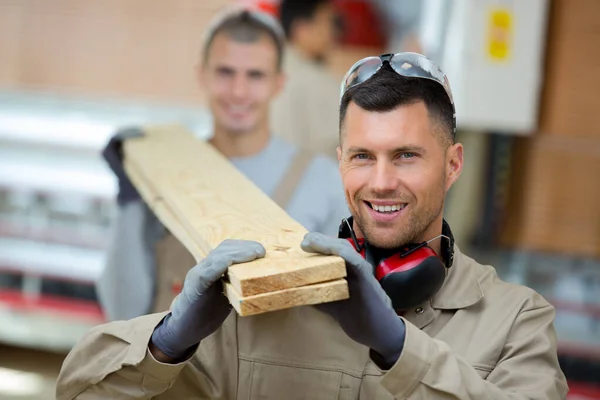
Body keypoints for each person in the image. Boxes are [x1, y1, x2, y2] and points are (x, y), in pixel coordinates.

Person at [57, 52, 568, 399]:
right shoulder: (266, 298)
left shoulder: (516, 321)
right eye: (363, 156)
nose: (382, 181)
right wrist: (167, 341)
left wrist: (399, 347)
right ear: (340, 163)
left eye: (407, 156)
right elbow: (78, 389)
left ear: (453, 164)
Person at [95, 7, 348, 321]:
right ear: (202, 75)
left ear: (278, 83)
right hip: (174, 371)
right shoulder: (167, 177)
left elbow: (335, 327)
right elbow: (123, 311)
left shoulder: (323, 183)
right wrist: (130, 198)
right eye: (225, 72)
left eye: (255, 75)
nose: (239, 92)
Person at [270, 0, 342, 158]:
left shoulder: (264, 70)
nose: (333, 33)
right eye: (328, 23)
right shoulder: (314, 79)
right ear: (301, 28)